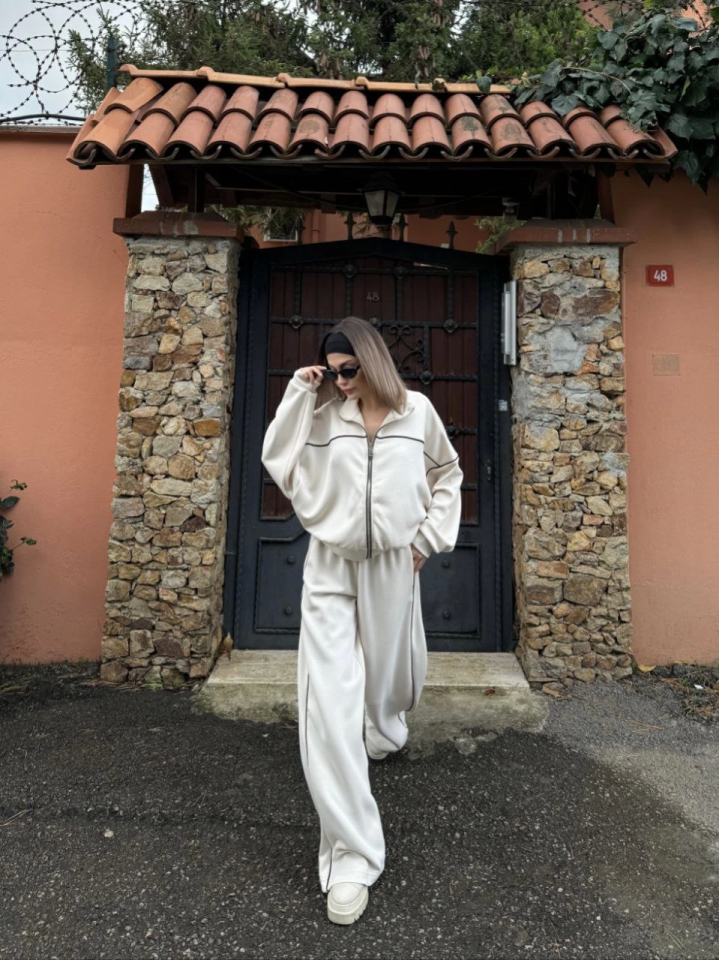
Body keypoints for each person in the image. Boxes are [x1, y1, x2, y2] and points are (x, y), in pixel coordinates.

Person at [260, 316, 463, 925]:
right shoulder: (323, 415)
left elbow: (447, 475)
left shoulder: (417, 413)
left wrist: (427, 539)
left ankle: (385, 723)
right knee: (326, 704)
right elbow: (279, 461)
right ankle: (352, 853)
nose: (342, 381)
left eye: (350, 370)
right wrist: (301, 392)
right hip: (330, 567)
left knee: (392, 681)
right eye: (333, 372)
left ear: (373, 361)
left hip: (395, 566)